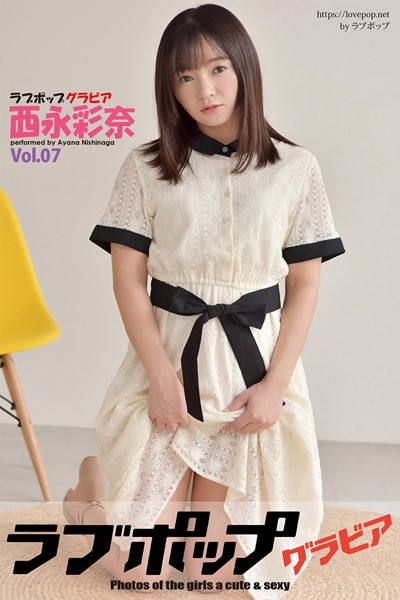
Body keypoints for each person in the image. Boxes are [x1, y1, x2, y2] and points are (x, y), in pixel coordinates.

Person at [63, 4, 345, 598]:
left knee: (210, 577)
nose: (205, 90)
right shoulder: (145, 167)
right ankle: (89, 496)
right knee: (143, 574)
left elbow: (304, 284)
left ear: (243, 67)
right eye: (185, 77)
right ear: (170, 88)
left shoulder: (296, 168)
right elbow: (127, 281)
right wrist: (160, 377)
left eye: (217, 69)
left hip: (249, 374)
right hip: (168, 360)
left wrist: (275, 386)